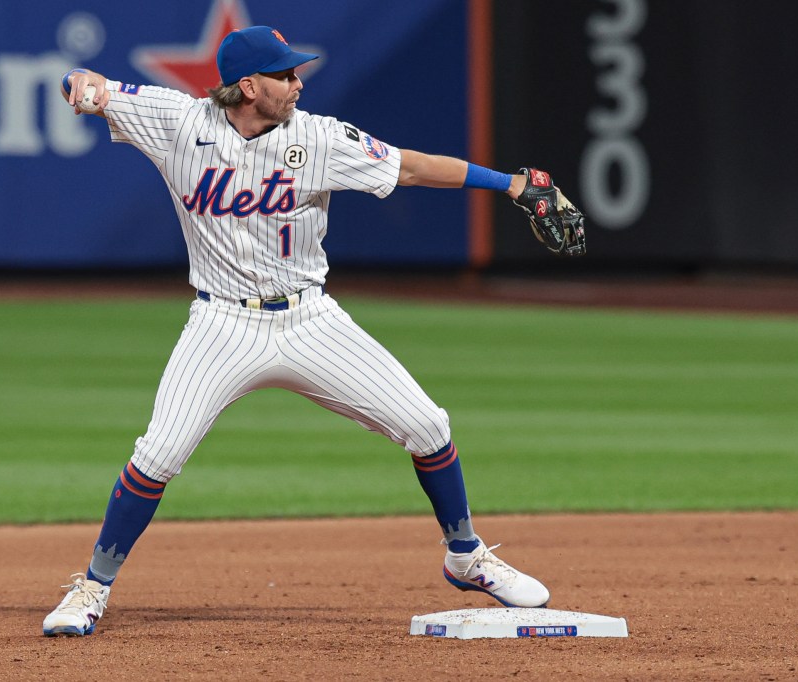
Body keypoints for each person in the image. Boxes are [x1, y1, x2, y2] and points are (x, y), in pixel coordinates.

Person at [43, 25, 554, 637]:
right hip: (221, 322)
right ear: (250, 86)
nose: (297, 82)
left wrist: (514, 185)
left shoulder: (319, 137)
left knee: (428, 425)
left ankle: (466, 555)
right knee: (157, 454)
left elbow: (412, 169)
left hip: (311, 319)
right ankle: (92, 588)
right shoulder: (177, 120)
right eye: (285, 75)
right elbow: (97, 87)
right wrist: (82, 87)